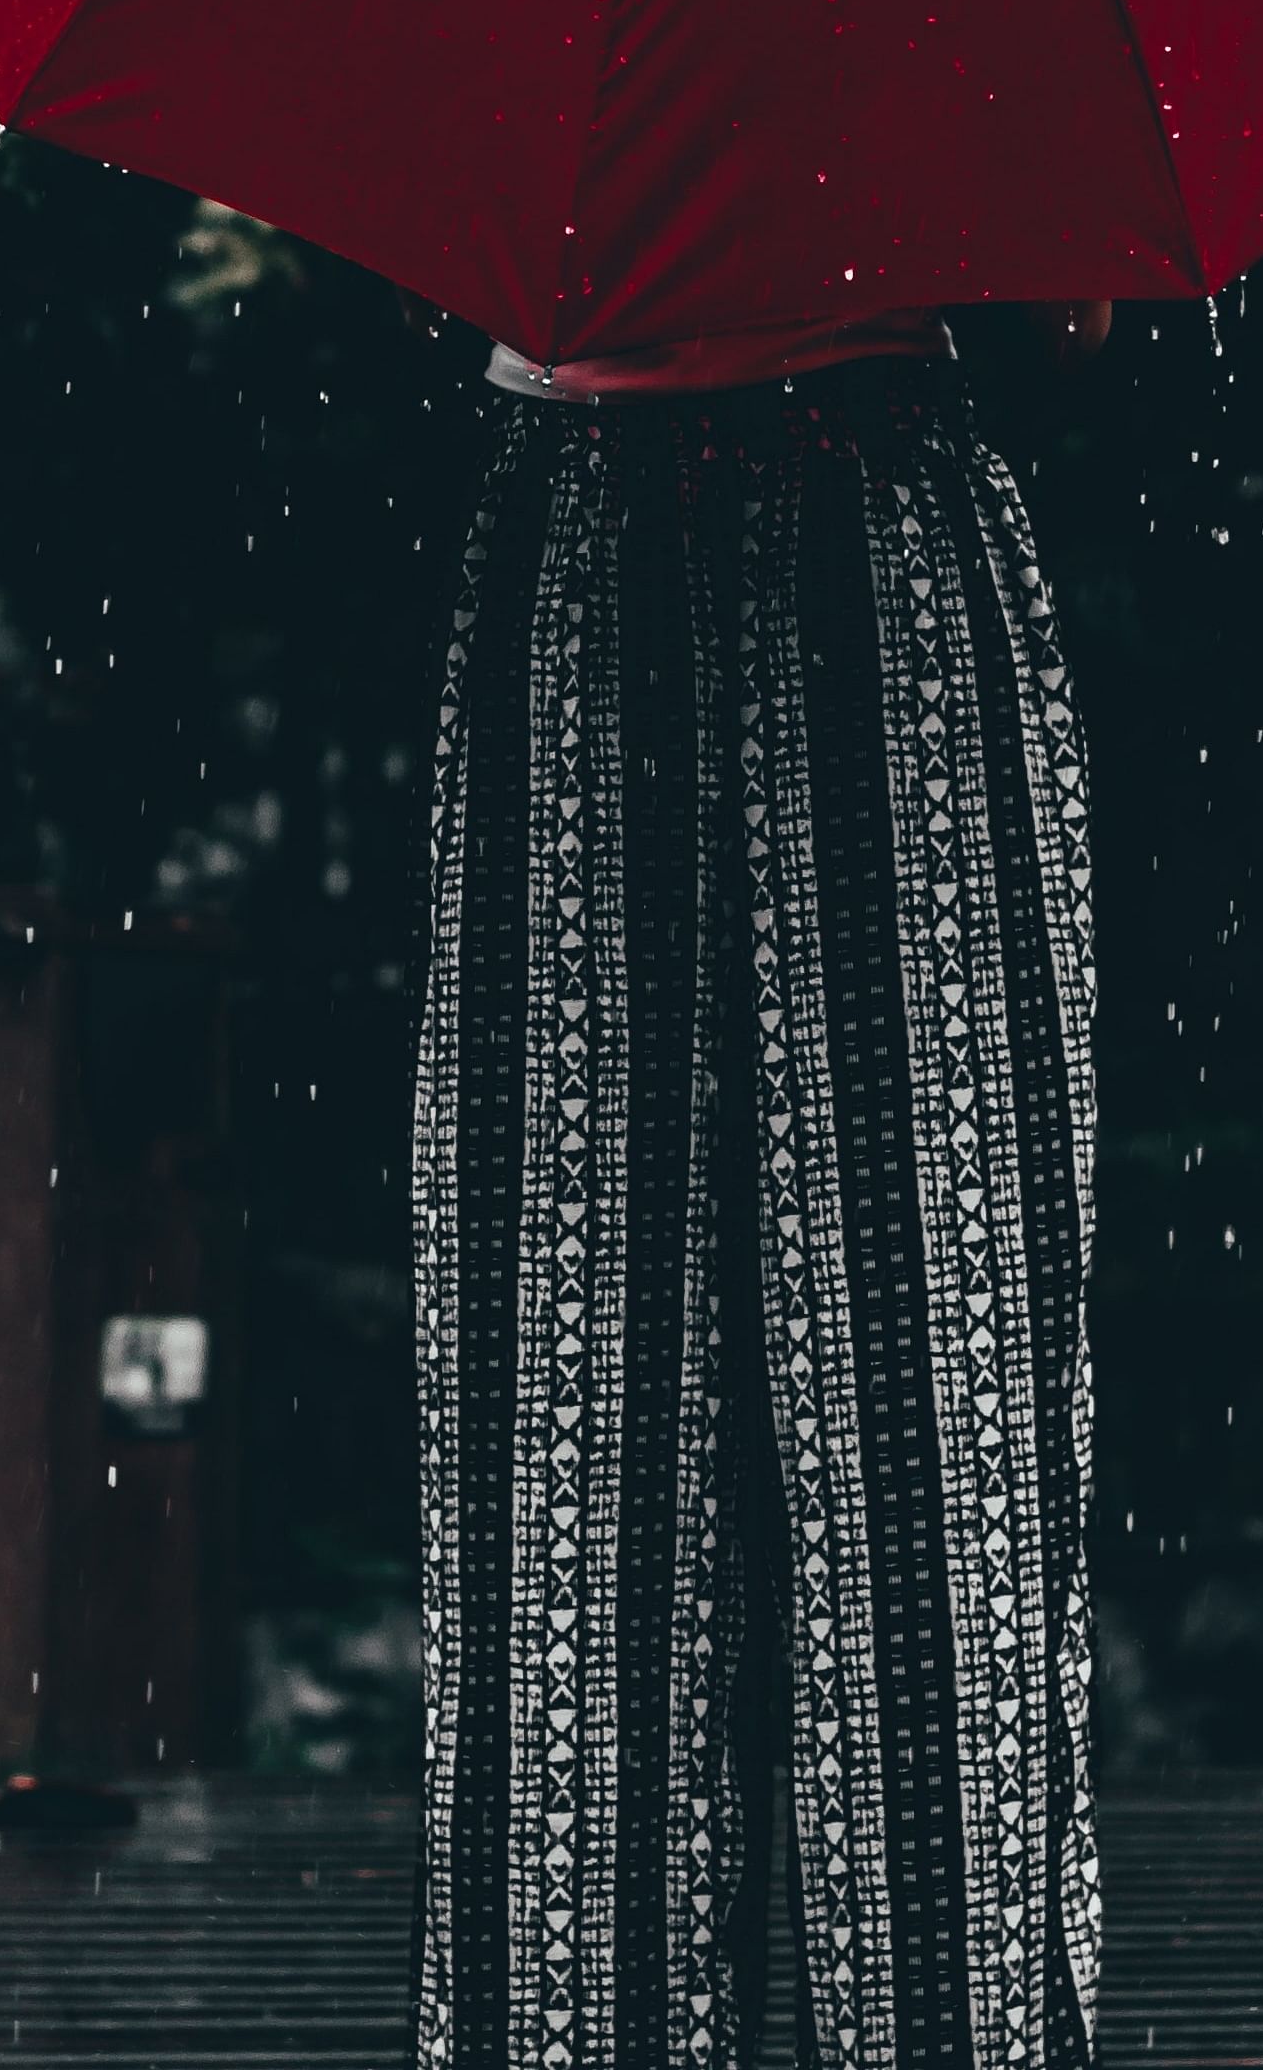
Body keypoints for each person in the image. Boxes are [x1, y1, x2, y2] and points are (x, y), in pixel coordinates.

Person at [405, 288, 1112, 2070]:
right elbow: (1073, 308)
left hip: (629, 520)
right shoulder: (967, 7)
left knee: (586, 1445)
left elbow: (438, 254)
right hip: (818, 516)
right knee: (917, 1462)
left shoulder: (517, 14)